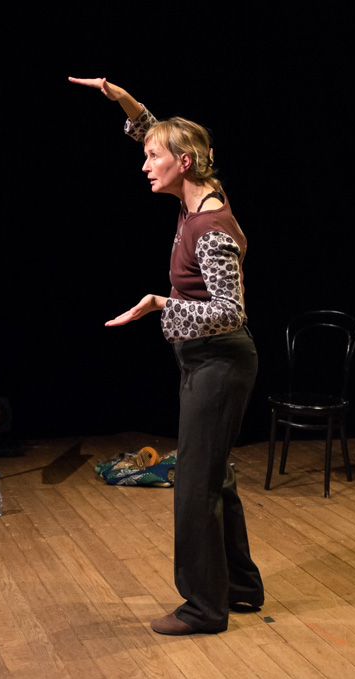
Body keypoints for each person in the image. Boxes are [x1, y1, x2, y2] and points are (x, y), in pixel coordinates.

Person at [69, 76, 264, 636]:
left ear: (184, 163)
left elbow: (231, 311)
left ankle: (203, 608)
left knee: (195, 486)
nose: (144, 164)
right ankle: (241, 587)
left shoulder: (210, 228)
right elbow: (158, 135)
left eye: (154, 157)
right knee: (215, 477)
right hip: (205, 361)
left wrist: (161, 305)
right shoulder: (196, 194)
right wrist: (124, 101)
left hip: (220, 362)